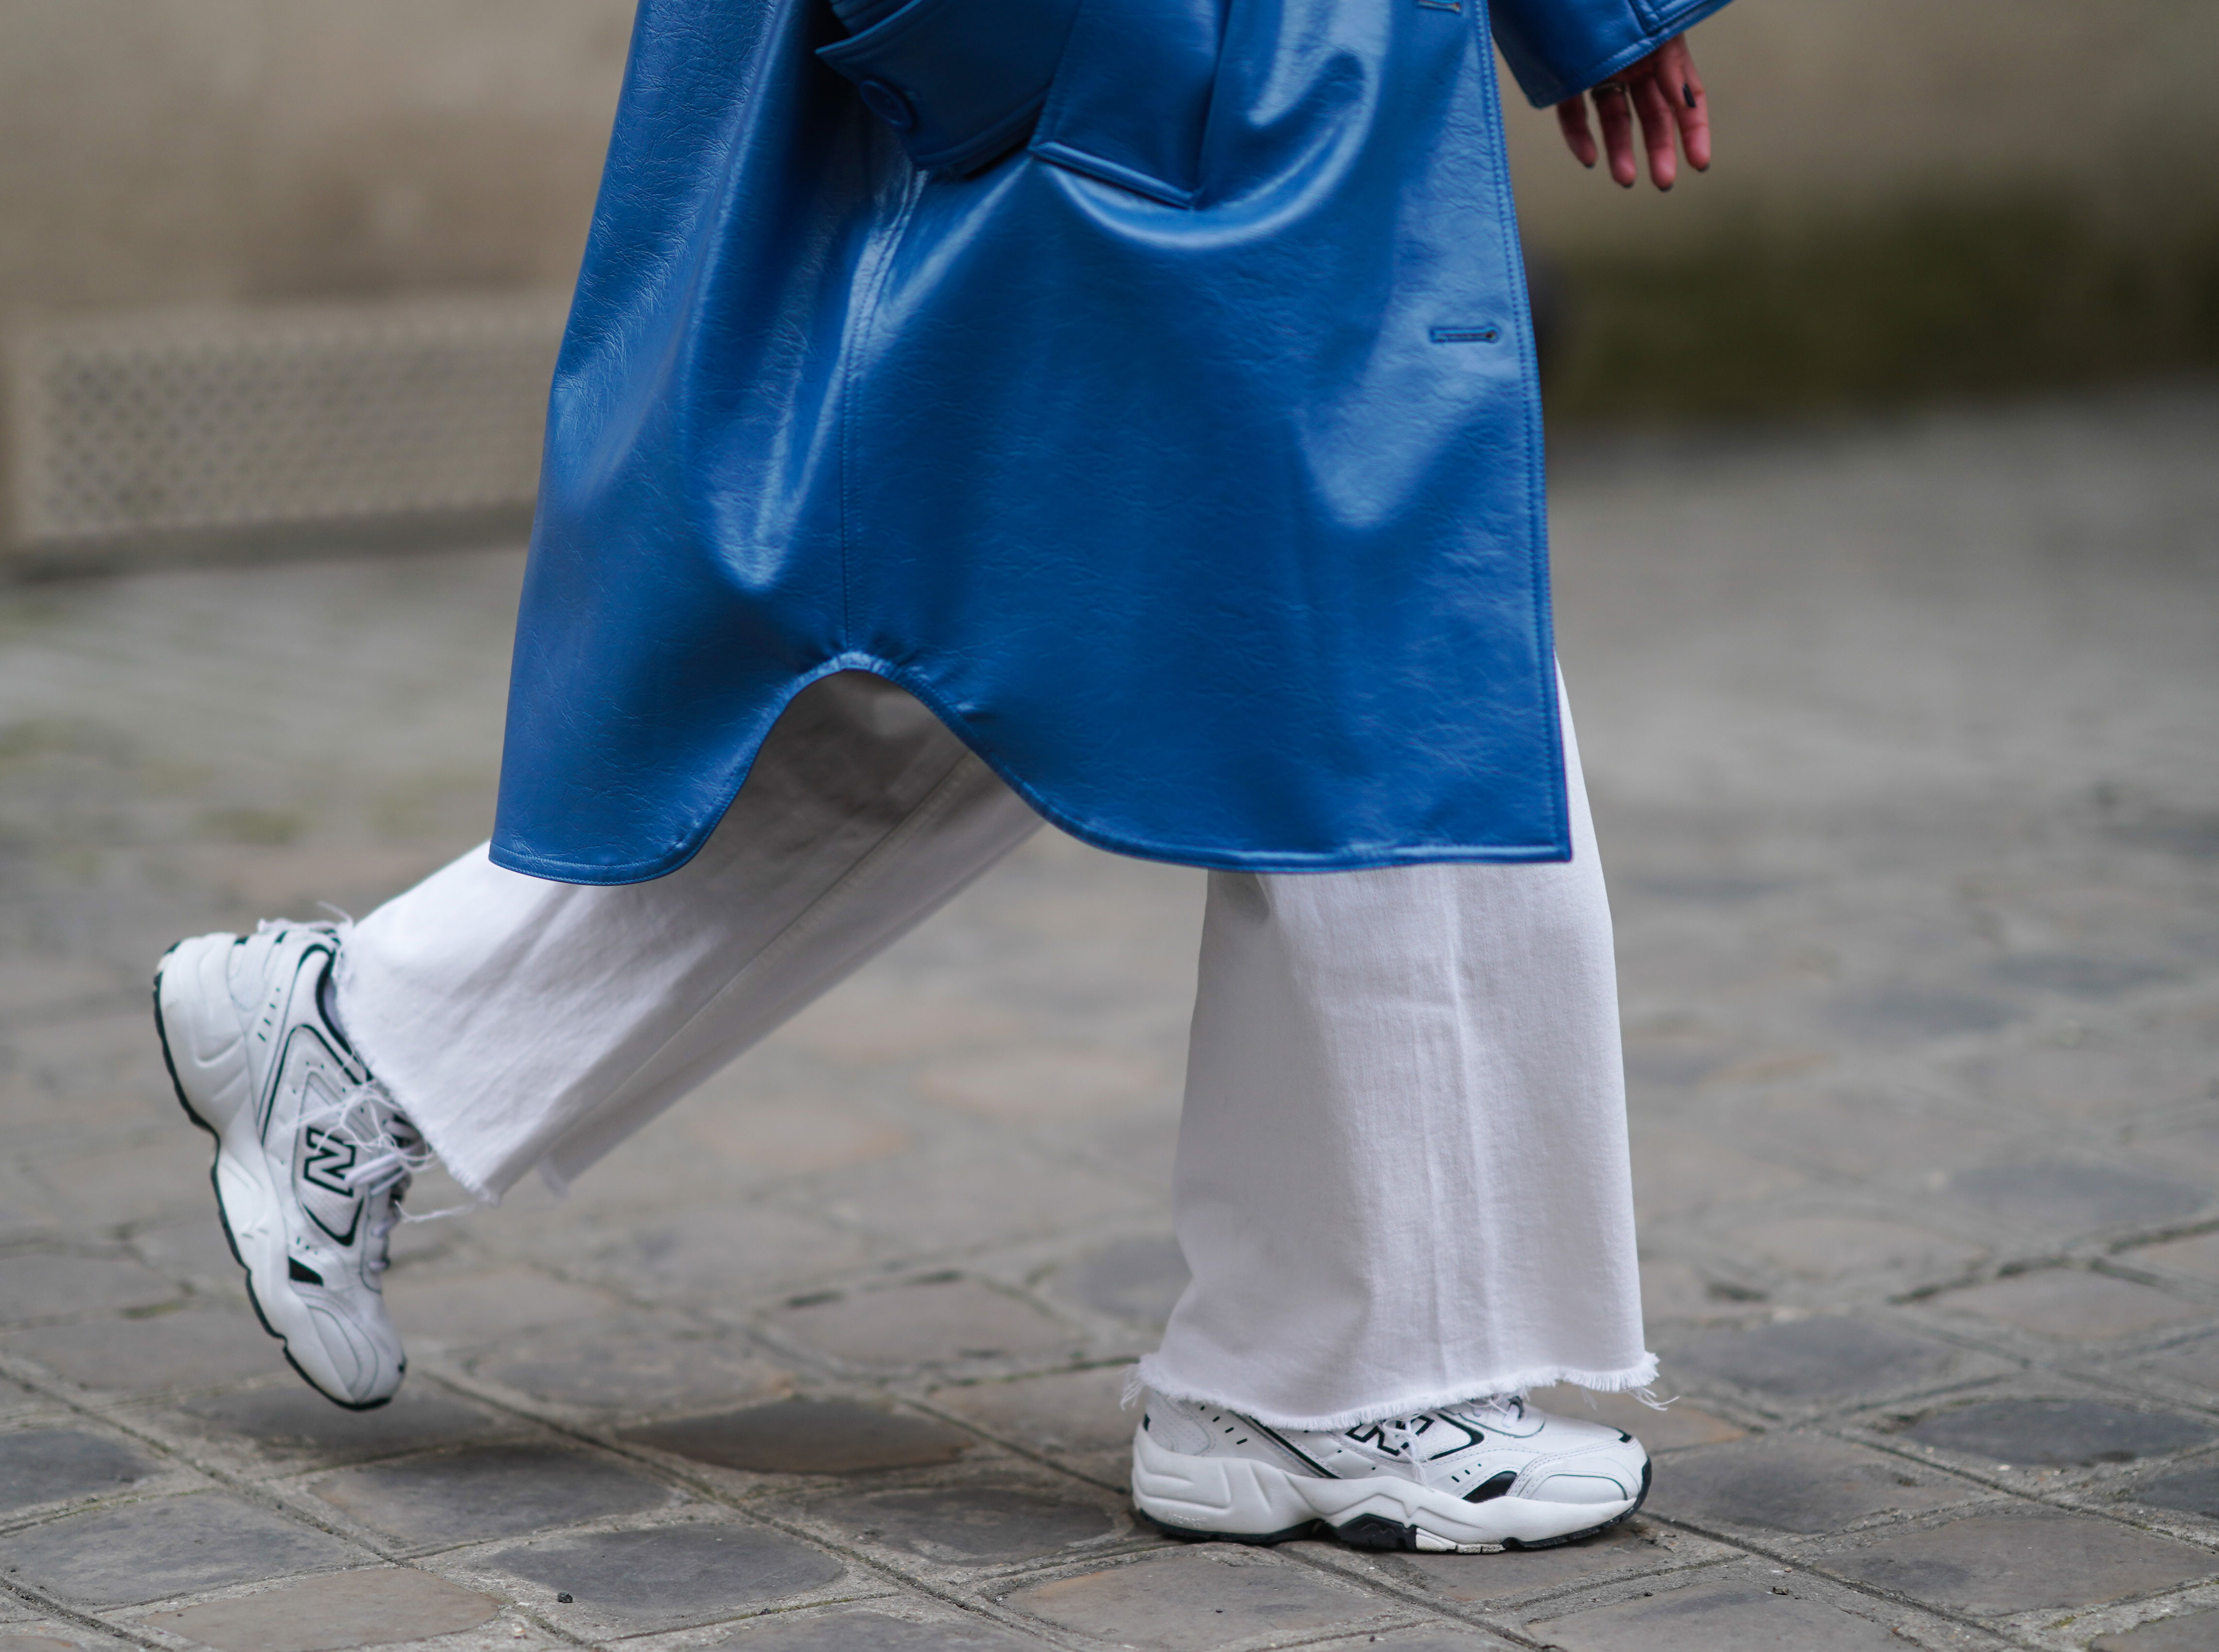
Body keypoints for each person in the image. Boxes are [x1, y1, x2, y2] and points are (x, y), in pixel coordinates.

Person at [155, 0, 1720, 1556]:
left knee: (1111, 631)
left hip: (1199, 62)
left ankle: (370, 1041)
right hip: (1126, 53)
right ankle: (1342, 1374)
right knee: (1346, 635)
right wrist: (1034, 57)